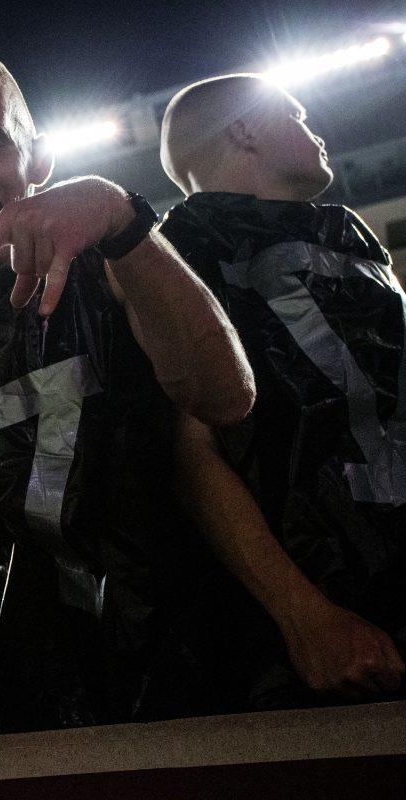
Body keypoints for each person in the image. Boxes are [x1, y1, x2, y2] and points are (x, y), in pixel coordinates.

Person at [0, 52, 256, 799]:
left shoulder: (123, 253)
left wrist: (121, 220)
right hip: (28, 675)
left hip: (200, 651)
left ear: (39, 156)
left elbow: (226, 398)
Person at [159, 73, 405, 709]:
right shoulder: (174, 254)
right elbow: (188, 455)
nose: (315, 132)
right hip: (322, 606)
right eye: (295, 116)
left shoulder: (348, 233)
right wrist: (305, 615)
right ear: (245, 128)